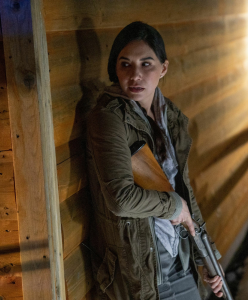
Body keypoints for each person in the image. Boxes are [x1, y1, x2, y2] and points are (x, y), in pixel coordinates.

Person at [86, 21, 223, 300]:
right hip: (143, 274)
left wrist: (206, 255)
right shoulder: (109, 117)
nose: (135, 74)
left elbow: (183, 191)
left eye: (146, 64)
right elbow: (121, 199)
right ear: (115, 69)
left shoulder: (169, 115)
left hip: (180, 262)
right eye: (125, 64)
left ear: (163, 68)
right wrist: (173, 206)